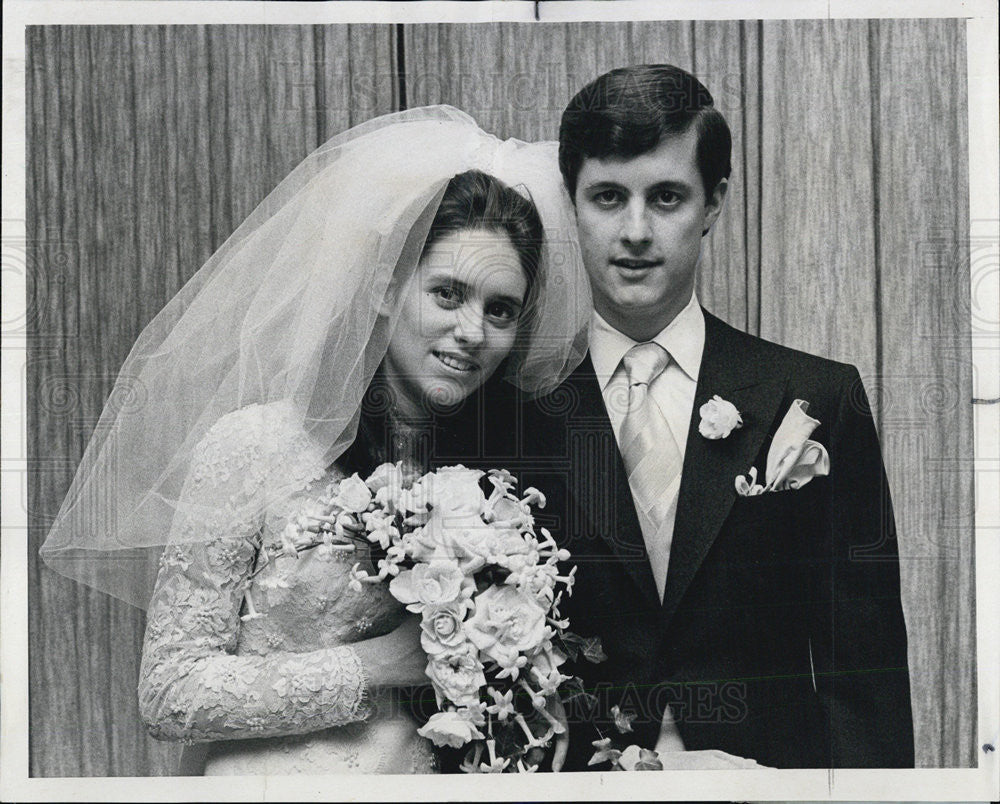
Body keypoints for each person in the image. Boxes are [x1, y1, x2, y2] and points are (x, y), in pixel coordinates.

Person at [38, 107, 590, 775]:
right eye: (447, 294)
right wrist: (383, 662)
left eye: (499, 309)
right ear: (388, 288)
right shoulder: (258, 446)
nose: (473, 331)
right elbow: (168, 692)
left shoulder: (494, 487)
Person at [521, 64, 914, 769]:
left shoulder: (818, 397)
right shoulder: (518, 409)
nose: (635, 230)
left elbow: (866, 677)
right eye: (608, 197)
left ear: (713, 202)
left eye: (666, 197)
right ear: (570, 201)